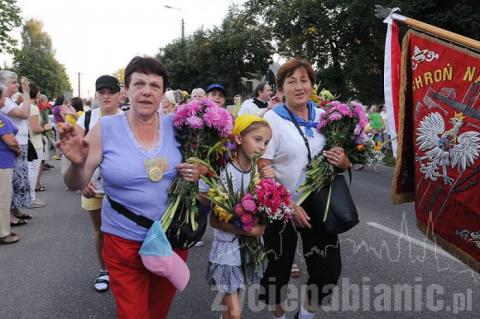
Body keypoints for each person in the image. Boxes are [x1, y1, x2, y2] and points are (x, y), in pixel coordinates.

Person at [59, 56, 206, 319]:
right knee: (133, 313)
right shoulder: (106, 128)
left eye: (154, 85)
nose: (147, 91)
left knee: (157, 311)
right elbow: (76, 183)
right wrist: (77, 165)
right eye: (139, 84)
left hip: (170, 238)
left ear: (163, 93)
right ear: (126, 90)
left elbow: (205, 166)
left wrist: (199, 170)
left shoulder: (179, 127)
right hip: (123, 240)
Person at [258, 59, 350, 319]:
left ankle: (305, 314)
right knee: (278, 269)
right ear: (280, 89)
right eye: (291, 81)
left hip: (318, 202)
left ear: (312, 85)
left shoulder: (325, 117)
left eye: (304, 80)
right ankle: (279, 315)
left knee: (328, 270)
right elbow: (262, 168)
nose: (299, 87)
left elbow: (343, 157)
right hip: (280, 205)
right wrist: (288, 204)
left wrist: (343, 161)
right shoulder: (271, 121)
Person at [206, 114, 274, 319]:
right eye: (257, 139)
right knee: (236, 313)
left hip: (249, 249)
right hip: (227, 249)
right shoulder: (225, 171)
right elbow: (213, 220)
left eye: (266, 142)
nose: (262, 147)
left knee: (231, 311)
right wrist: (250, 229)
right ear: (238, 138)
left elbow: (268, 209)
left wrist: (270, 185)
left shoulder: (258, 173)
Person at [76, 75, 123, 293]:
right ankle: (104, 270)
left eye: (110, 92)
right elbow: (75, 154)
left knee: (125, 232)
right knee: (100, 232)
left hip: (121, 189)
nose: (106, 96)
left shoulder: (128, 118)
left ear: (119, 94)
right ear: (96, 95)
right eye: (102, 92)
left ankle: (125, 271)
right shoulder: (86, 119)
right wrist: (82, 180)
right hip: (93, 188)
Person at [0, 71, 33, 225]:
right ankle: (10, 216)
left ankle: (14, 211)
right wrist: (26, 93)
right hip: (13, 145)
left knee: (18, 179)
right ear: (4, 84)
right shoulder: (4, 101)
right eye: (13, 82)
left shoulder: (9, 100)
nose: (17, 85)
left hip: (18, 143)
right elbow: (25, 114)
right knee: (12, 181)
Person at [0, 85, 22, 244]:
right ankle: (3, 233)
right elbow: (9, 140)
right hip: (3, 162)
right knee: (3, 199)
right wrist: (18, 149)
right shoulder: (0, 118)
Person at [27, 82, 50, 209]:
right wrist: (45, 127)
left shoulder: (22, 105)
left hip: (28, 142)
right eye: (39, 91)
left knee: (29, 170)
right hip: (35, 143)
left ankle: (29, 197)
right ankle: (32, 198)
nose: (40, 94)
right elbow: (35, 128)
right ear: (35, 92)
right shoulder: (33, 107)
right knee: (33, 171)